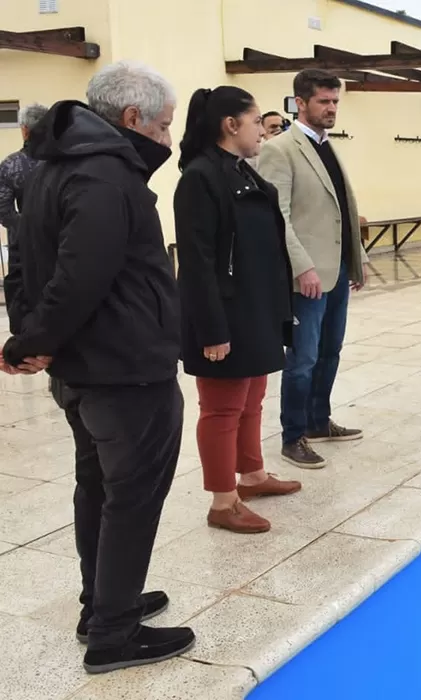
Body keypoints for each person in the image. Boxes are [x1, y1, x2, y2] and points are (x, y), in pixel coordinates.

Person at [0, 60, 194, 673]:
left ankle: (104, 602)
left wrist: (32, 337)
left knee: (99, 487)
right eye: (164, 126)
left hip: (85, 368)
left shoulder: (51, 166)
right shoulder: (106, 176)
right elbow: (82, 275)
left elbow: (26, 266)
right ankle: (114, 634)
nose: (167, 139)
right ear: (132, 118)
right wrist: (34, 340)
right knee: (132, 495)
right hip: (124, 369)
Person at [175, 86, 302, 534]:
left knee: (252, 399)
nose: (262, 133)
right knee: (223, 407)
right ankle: (222, 502)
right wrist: (212, 329)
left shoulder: (242, 173)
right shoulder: (201, 177)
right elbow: (196, 261)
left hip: (256, 310)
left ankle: (252, 476)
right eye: (254, 124)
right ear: (231, 125)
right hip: (224, 315)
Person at [257, 68, 368, 469]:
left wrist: (357, 258)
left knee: (330, 350)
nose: (332, 108)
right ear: (300, 103)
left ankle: (320, 421)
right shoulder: (280, 149)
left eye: (335, 101)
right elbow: (277, 216)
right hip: (307, 276)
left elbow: (341, 208)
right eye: (323, 101)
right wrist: (301, 267)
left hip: (336, 270)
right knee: (302, 358)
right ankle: (293, 436)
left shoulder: (326, 145)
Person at [0, 103, 48, 237]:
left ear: (24, 130)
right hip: (63, 243)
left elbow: (4, 211)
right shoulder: (64, 160)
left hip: (24, 246)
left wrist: (27, 227)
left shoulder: (11, 164)